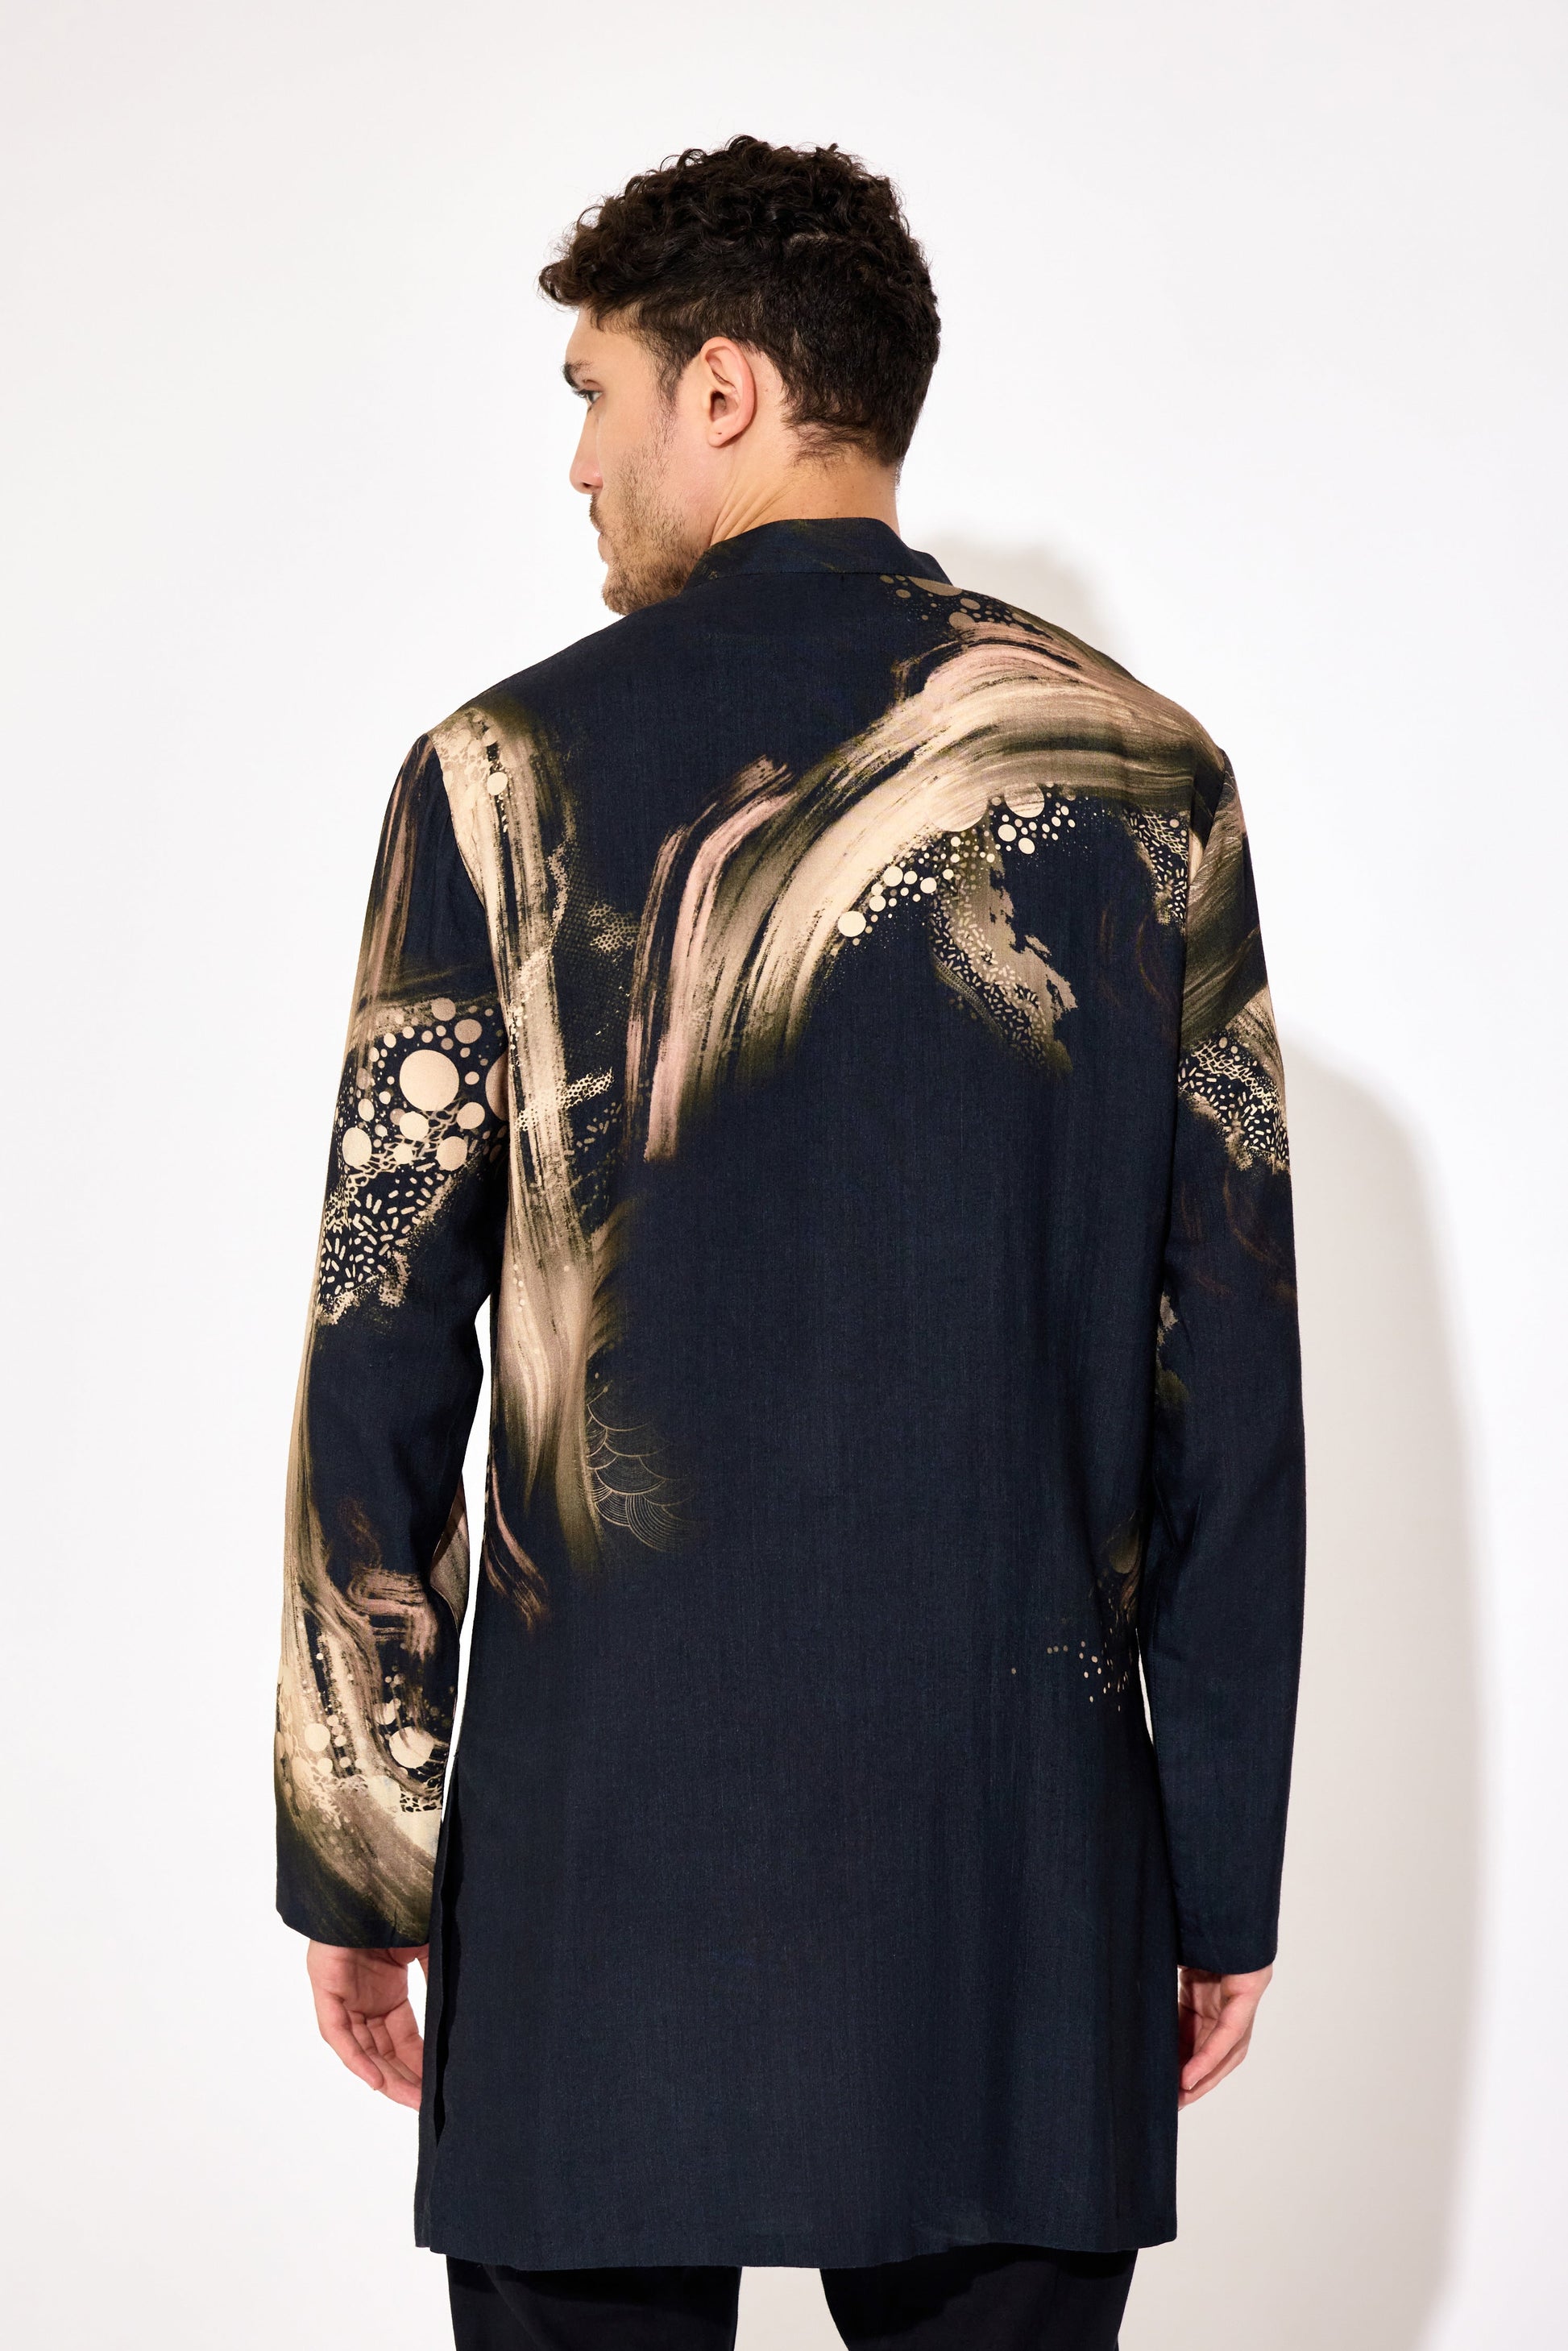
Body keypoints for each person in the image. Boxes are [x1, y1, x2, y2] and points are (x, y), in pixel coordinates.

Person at [276, 136, 1306, 2351]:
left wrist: (361, 1838)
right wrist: (1215, 1867)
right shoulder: (1149, 785)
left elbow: (381, 1344)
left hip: (595, 1880)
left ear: (724, 389)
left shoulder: (496, 778)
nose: (576, 461)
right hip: (1009, 1884)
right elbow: (1226, 1379)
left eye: (594, 393)